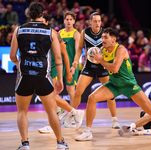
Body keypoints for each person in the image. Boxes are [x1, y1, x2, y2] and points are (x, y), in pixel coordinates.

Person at [75, 27, 151, 141]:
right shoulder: (102, 50)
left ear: (113, 39)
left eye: (106, 37)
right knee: (92, 98)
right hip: (113, 84)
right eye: (102, 37)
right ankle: (88, 132)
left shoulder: (121, 49)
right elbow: (96, 58)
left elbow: (115, 68)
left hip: (129, 85)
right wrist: (91, 57)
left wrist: (100, 60)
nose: (103, 40)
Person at [9, 2, 68, 149]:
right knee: (51, 112)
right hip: (43, 76)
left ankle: (25, 143)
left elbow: (12, 56)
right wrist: (60, 79)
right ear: (42, 15)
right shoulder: (51, 32)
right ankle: (60, 142)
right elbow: (58, 58)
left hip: (25, 76)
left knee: (22, 112)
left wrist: (18, 63)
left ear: (28, 15)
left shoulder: (18, 30)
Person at [71, 11, 120, 129]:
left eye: (99, 21)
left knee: (111, 94)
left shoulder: (106, 33)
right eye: (95, 21)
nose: (97, 23)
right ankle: (73, 116)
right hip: (89, 67)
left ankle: (114, 120)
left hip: (103, 66)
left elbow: (113, 49)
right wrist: (76, 61)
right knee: (77, 92)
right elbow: (79, 49)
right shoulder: (85, 32)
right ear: (90, 22)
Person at [38, 12, 84, 133]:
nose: (68, 21)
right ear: (64, 20)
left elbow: (78, 51)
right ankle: (63, 111)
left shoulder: (76, 34)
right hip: (59, 65)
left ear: (74, 21)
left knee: (70, 91)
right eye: (67, 19)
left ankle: (72, 115)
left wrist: (74, 66)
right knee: (54, 93)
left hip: (69, 65)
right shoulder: (60, 33)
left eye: (71, 19)